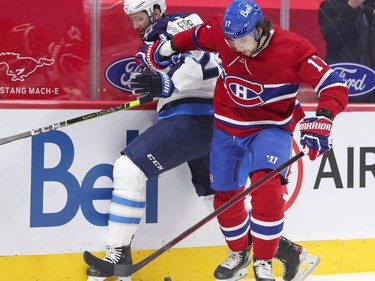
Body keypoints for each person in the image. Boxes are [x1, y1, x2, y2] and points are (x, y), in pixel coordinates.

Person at [85, 0, 322, 280]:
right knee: (219, 198)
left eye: (139, 17)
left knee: (128, 168)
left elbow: (204, 63)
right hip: (218, 123)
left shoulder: (168, 27)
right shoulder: (176, 30)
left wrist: (169, 83)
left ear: (156, 11)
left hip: (194, 119)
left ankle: (118, 252)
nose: (135, 25)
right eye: (131, 20)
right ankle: (285, 251)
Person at [137, 0, 349, 280]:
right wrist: (163, 49)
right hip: (227, 128)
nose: (237, 47)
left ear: (260, 29)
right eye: (231, 41)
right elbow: (191, 37)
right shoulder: (221, 32)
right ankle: (239, 253)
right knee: (224, 196)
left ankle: (263, 261)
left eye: (243, 39)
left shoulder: (293, 48)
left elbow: (333, 83)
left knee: (267, 191)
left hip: (270, 129)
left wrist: (324, 116)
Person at [318, 0, 375, 102]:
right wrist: (352, 6)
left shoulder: (370, 7)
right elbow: (333, 39)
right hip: (344, 79)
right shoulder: (330, 6)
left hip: (371, 82)